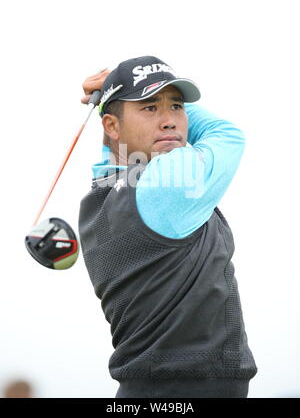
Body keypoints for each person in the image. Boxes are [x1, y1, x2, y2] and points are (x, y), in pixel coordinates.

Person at [78, 56, 257, 398]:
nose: (170, 122)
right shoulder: (171, 181)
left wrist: (114, 99)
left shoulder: (102, 190)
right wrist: (112, 97)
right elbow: (227, 134)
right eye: (149, 107)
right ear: (113, 126)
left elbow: (115, 151)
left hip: (142, 390)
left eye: (177, 106)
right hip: (194, 390)